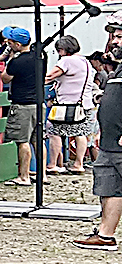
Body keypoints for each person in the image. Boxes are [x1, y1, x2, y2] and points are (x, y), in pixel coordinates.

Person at [73, 69, 122, 248]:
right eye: (115, 37)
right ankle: (105, 236)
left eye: (119, 38)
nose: (114, 41)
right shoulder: (117, 68)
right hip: (110, 142)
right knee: (110, 189)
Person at [0, 27, 44, 185]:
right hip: (38, 103)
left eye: (10, 42)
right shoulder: (40, 57)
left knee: (22, 141)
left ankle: (24, 176)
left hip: (22, 105)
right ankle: (42, 174)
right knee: (38, 140)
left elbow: (5, 79)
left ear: (17, 44)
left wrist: (8, 61)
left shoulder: (17, 61)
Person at [45, 34, 97, 175]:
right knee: (80, 133)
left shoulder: (66, 61)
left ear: (64, 49)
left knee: (54, 131)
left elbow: (50, 76)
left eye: (59, 50)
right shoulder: (86, 62)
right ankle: (78, 164)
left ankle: (53, 165)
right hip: (84, 104)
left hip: (66, 105)